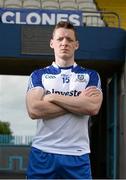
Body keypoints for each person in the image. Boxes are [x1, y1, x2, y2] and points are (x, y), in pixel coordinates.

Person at [26, 21, 103, 179]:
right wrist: (78, 103)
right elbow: (34, 110)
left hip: (77, 154)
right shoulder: (38, 75)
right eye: (60, 39)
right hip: (43, 153)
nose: (64, 43)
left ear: (76, 45)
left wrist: (53, 97)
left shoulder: (91, 76)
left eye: (69, 39)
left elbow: (92, 108)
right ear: (52, 43)